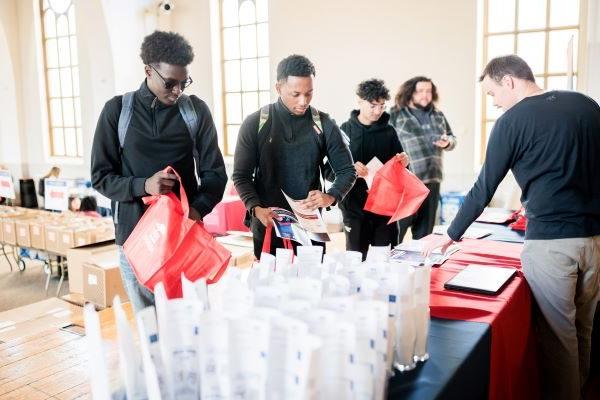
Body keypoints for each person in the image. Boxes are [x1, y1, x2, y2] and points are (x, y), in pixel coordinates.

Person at [424, 55, 600, 400]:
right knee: (584, 327)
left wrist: (449, 234)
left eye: (492, 93)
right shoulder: (585, 105)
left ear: (509, 81)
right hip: (594, 239)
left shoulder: (511, 122)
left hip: (552, 243)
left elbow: (483, 188)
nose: (494, 102)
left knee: (557, 337)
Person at [91, 31, 227, 312]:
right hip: (135, 240)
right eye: (170, 83)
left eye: (183, 82)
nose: (177, 91)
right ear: (148, 71)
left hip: (184, 238)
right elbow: (101, 177)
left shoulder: (195, 112)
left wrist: (196, 211)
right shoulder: (117, 112)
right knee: (149, 329)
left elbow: (215, 174)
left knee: (191, 326)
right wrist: (144, 185)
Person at [232, 54, 356, 258]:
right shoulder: (256, 123)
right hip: (268, 220)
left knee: (311, 284)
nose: (303, 101)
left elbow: (346, 170)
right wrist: (255, 208)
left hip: (309, 224)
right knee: (269, 285)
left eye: (309, 93)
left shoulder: (323, 124)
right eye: (295, 94)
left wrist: (331, 196)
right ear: (278, 88)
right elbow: (241, 175)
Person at [336, 79, 409, 260]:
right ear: (359, 101)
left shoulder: (389, 132)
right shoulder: (344, 131)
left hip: (384, 208)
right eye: (373, 106)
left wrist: (405, 162)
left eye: (382, 106)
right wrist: (350, 169)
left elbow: (403, 171)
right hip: (354, 208)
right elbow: (332, 169)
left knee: (386, 259)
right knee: (356, 260)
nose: (378, 111)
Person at [390, 76, 456, 242]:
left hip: (432, 181)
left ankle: (419, 267)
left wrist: (448, 142)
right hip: (406, 183)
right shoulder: (396, 114)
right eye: (420, 91)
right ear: (411, 92)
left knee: (424, 235)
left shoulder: (439, 115)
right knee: (396, 232)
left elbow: (452, 137)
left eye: (428, 91)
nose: (425, 95)